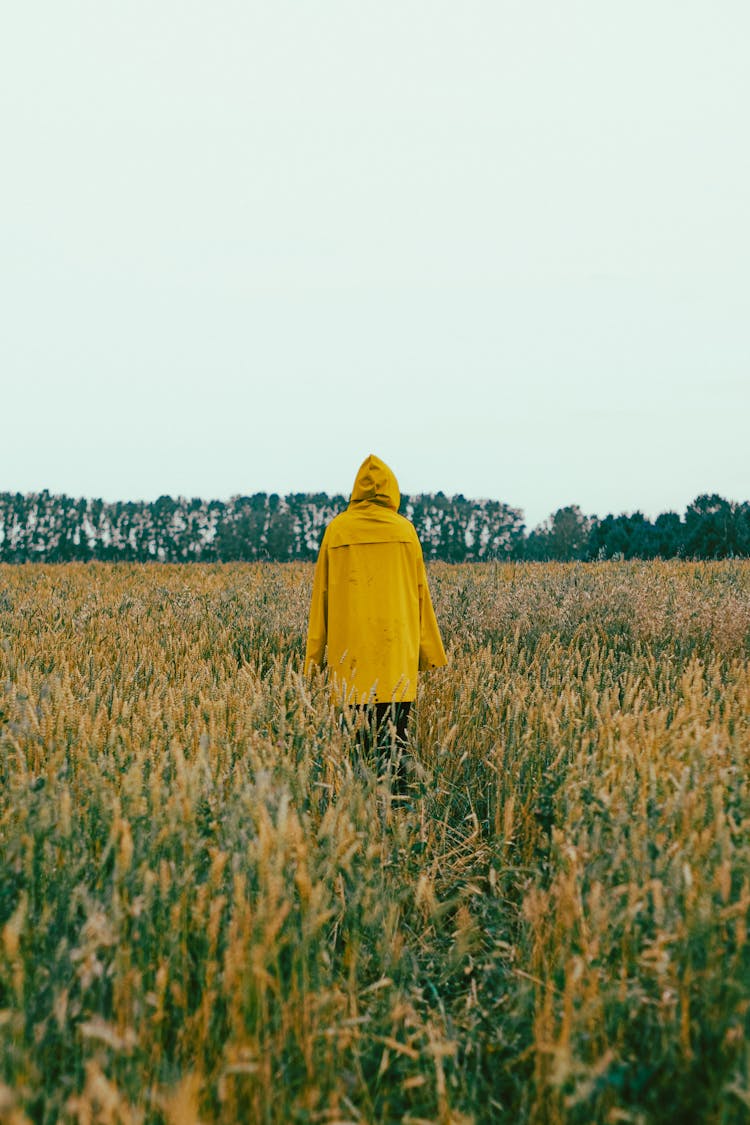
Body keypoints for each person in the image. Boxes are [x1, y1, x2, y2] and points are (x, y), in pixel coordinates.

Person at [304, 454, 447, 787]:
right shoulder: (405, 532)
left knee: (356, 753)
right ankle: (397, 815)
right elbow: (420, 596)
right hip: (395, 661)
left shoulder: (336, 530)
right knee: (396, 749)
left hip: (349, 665)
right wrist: (430, 655)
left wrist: (313, 662)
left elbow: (319, 600)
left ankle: (359, 819)